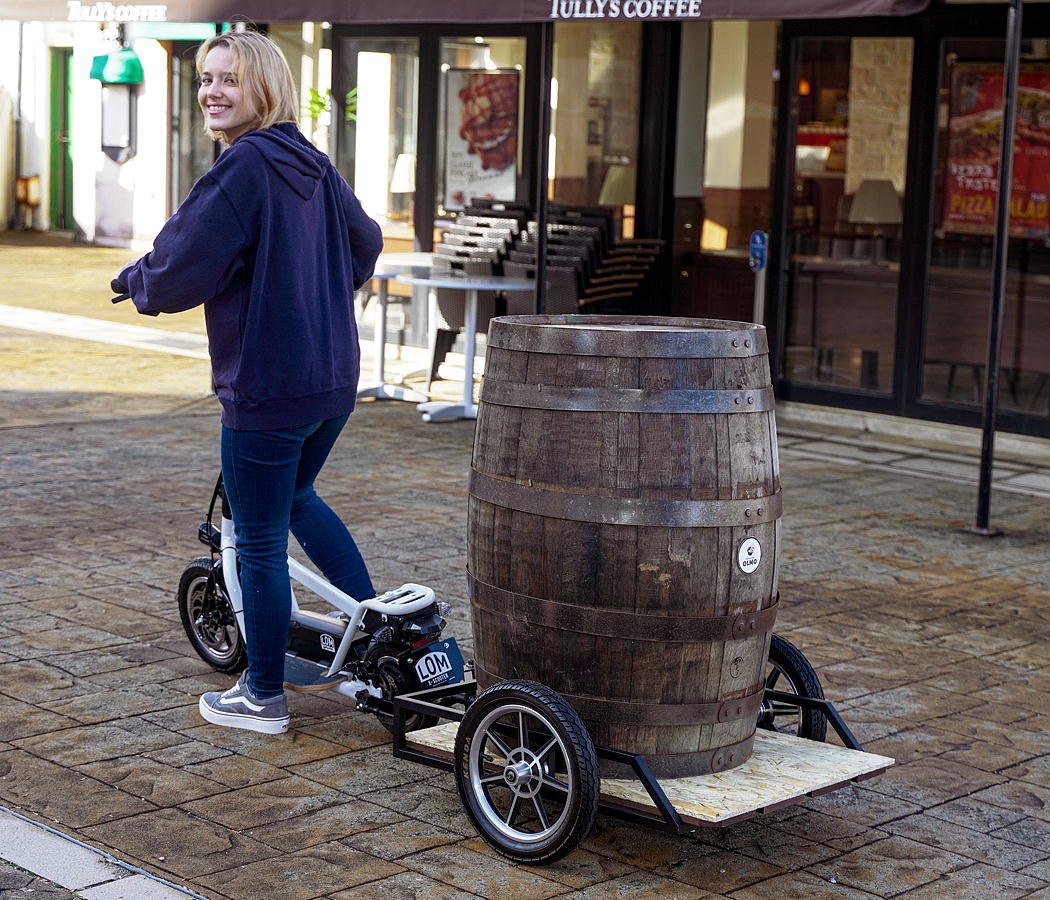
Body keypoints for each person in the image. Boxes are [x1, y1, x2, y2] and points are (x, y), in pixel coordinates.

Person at [117, 30, 384, 735]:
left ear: (263, 85)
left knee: (258, 539)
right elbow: (366, 242)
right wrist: (314, 291)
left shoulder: (244, 166)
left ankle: (262, 695)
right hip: (331, 380)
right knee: (298, 499)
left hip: (267, 386)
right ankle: (375, 652)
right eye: (206, 78)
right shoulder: (311, 161)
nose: (211, 91)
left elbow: (180, 264)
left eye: (228, 79)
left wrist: (136, 283)